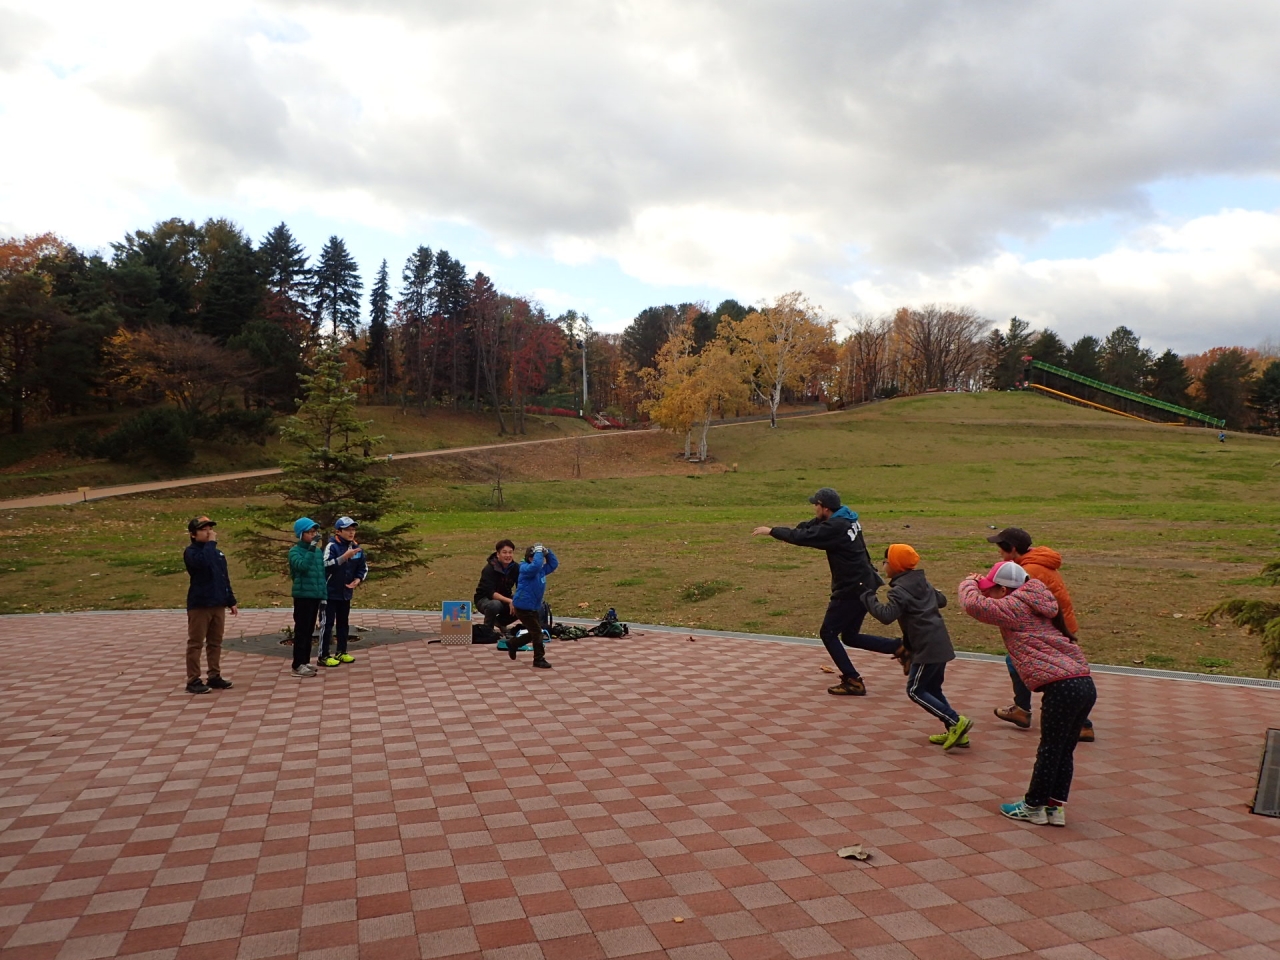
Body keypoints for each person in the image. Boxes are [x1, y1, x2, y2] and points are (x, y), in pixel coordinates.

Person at [959, 561, 1095, 827]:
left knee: (1049, 750)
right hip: (1083, 683)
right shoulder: (1037, 602)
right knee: (1062, 750)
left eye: (992, 588)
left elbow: (974, 605)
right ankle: (1054, 809)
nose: (988, 593)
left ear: (1005, 589)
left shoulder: (1016, 606)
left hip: (1062, 686)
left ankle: (1033, 806)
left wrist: (970, 582)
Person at [752, 487, 897, 696]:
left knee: (828, 633)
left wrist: (773, 531)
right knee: (849, 636)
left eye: (816, 505)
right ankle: (901, 648)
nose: (814, 507)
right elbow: (809, 529)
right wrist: (793, 534)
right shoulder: (846, 516)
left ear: (825, 507)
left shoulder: (835, 527)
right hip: (865, 582)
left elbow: (809, 536)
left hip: (852, 587)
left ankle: (853, 681)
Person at [986, 527, 1094, 741]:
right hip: (1058, 624)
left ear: (1013, 549)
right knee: (1017, 663)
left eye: (1000, 547)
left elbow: (1017, 604)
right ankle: (1022, 710)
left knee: (1052, 674)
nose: (998, 551)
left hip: (1053, 628)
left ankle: (1081, 724)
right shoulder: (1032, 562)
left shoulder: (1030, 570)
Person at [863, 544, 971, 749]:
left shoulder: (900, 591)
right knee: (932, 689)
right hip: (940, 643)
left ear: (895, 566)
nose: (884, 566)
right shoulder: (922, 582)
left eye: (886, 562)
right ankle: (956, 731)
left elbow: (886, 615)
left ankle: (956, 721)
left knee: (915, 690)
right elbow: (941, 600)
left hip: (926, 647)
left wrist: (867, 596)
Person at [183, 516, 237, 694]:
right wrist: (210, 545)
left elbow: (223, 577)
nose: (209, 532)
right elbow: (203, 563)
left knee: (215, 642)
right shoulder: (192, 552)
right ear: (193, 534)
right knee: (196, 642)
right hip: (200, 604)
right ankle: (193, 679)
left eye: (210, 529)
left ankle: (214, 675)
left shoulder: (217, 553)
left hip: (217, 602)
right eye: (203, 529)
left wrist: (231, 600)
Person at [319, 517, 367, 668]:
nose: (351, 532)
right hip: (329, 593)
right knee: (326, 624)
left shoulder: (356, 548)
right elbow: (324, 565)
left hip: (345, 593)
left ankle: (341, 651)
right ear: (338, 531)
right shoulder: (332, 546)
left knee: (343, 623)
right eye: (347, 530)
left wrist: (358, 579)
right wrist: (343, 558)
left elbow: (363, 568)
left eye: (353, 529)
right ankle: (323, 655)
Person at [288, 517, 325, 678]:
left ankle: (305, 660)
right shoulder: (295, 551)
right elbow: (302, 567)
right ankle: (297, 664)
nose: (313, 535)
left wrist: (323, 594)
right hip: (303, 595)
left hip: (315, 595)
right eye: (309, 532)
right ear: (301, 534)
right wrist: (310, 548)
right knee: (301, 630)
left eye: (314, 532)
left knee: (310, 630)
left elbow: (320, 574)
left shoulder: (317, 552)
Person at [511, 543, 558, 669]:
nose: (540, 560)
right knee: (537, 633)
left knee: (534, 632)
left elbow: (554, 564)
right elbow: (536, 566)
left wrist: (547, 552)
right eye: (536, 557)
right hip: (523, 606)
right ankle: (539, 659)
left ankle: (513, 643)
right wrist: (538, 551)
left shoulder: (541, 570)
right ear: (530, 558)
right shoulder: (525, 568)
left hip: (533, 607)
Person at [474, 539, 520, 633]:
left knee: (522, 603)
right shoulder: (489, 569)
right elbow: (490, 593)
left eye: (510, 552)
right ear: (498, 554)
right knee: (495, 604)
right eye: (504, 552)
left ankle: (500, 622)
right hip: (485, 599)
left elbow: (521, 586)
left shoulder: (516, 567)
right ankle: (487, 630)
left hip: (505, 598)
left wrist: (517, 599)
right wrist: (510, 601)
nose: (508, 555)